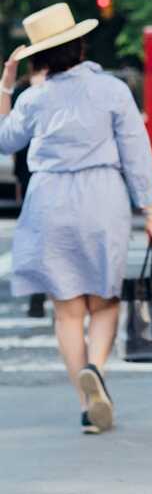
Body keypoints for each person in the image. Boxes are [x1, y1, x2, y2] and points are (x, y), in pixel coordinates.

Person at [0, 2, 152, 434]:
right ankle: (96, 368)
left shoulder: (34, 97)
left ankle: (86, 403)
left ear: (39, 55)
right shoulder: (111, 89)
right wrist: (149, 211)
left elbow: (4, 142)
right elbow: (136, 151)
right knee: (104, 300)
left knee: (67, 310)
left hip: (49, 198)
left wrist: (5, 87)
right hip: (101, 196)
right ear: (80, 44)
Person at [11, 72, 48, 318]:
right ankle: (43, 291)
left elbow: (11, 140)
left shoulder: (25, 92)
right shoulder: (26, 93)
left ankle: (41, 292)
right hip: (35, 173)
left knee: (40, 236)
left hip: (32, 174)